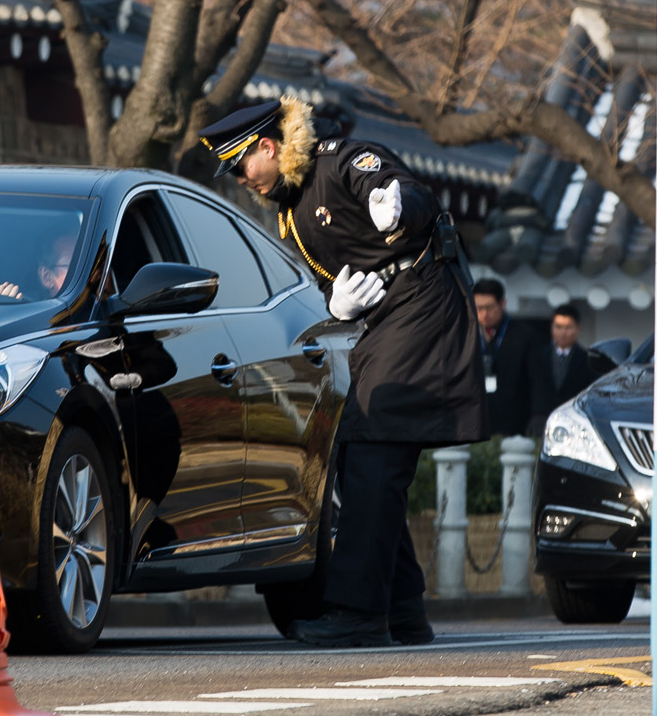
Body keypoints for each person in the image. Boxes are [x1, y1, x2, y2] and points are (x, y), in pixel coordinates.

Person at [203, 96, 485, 648]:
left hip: (422, 306)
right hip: (388, 317)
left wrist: (398, 204)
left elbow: (405, 191)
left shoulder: (338, 161)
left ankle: (358, 613)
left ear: (268, 147)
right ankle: (402, 610)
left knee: (373, 451)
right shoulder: (292, 204)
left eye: (240, 166)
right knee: (364, 457)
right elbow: (333, 274)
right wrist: (337, 307)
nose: (240, 179)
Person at [472, 278, 539, 438]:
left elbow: (538, 380)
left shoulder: (524, 336)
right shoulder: (466, 334)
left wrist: (538, 415)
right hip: (476, 420)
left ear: (502, 303)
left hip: (514, 422)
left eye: (489, 307)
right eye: (479, 308)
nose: (484, 314)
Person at [528, 303, 606, 438]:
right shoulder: (538, 356)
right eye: (558, 327)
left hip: (573, 420)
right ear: (552, 328)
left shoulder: (586, 359)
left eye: (568, 327)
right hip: (541, 421)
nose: (563, 332)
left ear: (578, 328)